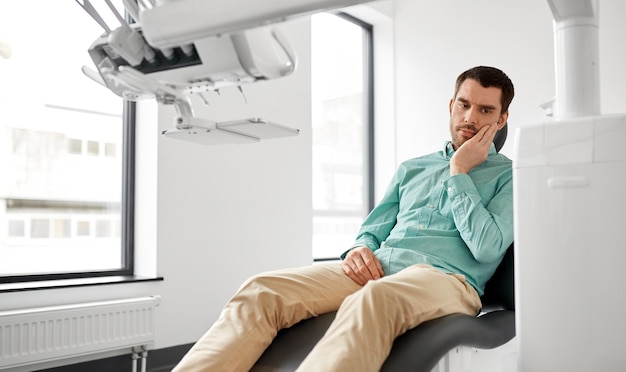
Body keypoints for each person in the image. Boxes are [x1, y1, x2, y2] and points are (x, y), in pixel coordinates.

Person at [172, 65, 515, 372]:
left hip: (447, 280)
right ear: (451, 106)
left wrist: (459, 170)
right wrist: (359, 249)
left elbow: (487, 248)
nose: (470, 117)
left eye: (485, 110)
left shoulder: (511, 177)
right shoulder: (413, 168)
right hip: (378, 269)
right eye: (463, 104)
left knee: (376, 298)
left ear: (501, 120)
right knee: (261, 290)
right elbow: (372, 231)